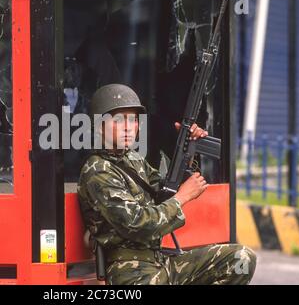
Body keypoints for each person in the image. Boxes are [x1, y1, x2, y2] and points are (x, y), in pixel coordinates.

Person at [77, 84, 256, 285]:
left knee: (242, 259)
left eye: (133, 120)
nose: (128, 127)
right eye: (119, 120)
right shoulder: (98, 171)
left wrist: (187, 152)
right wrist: (182, 198)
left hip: (161, 262)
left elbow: (163, 191)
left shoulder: (133, 159)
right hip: (131, 273)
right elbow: (138, 224)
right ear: (99, 126)